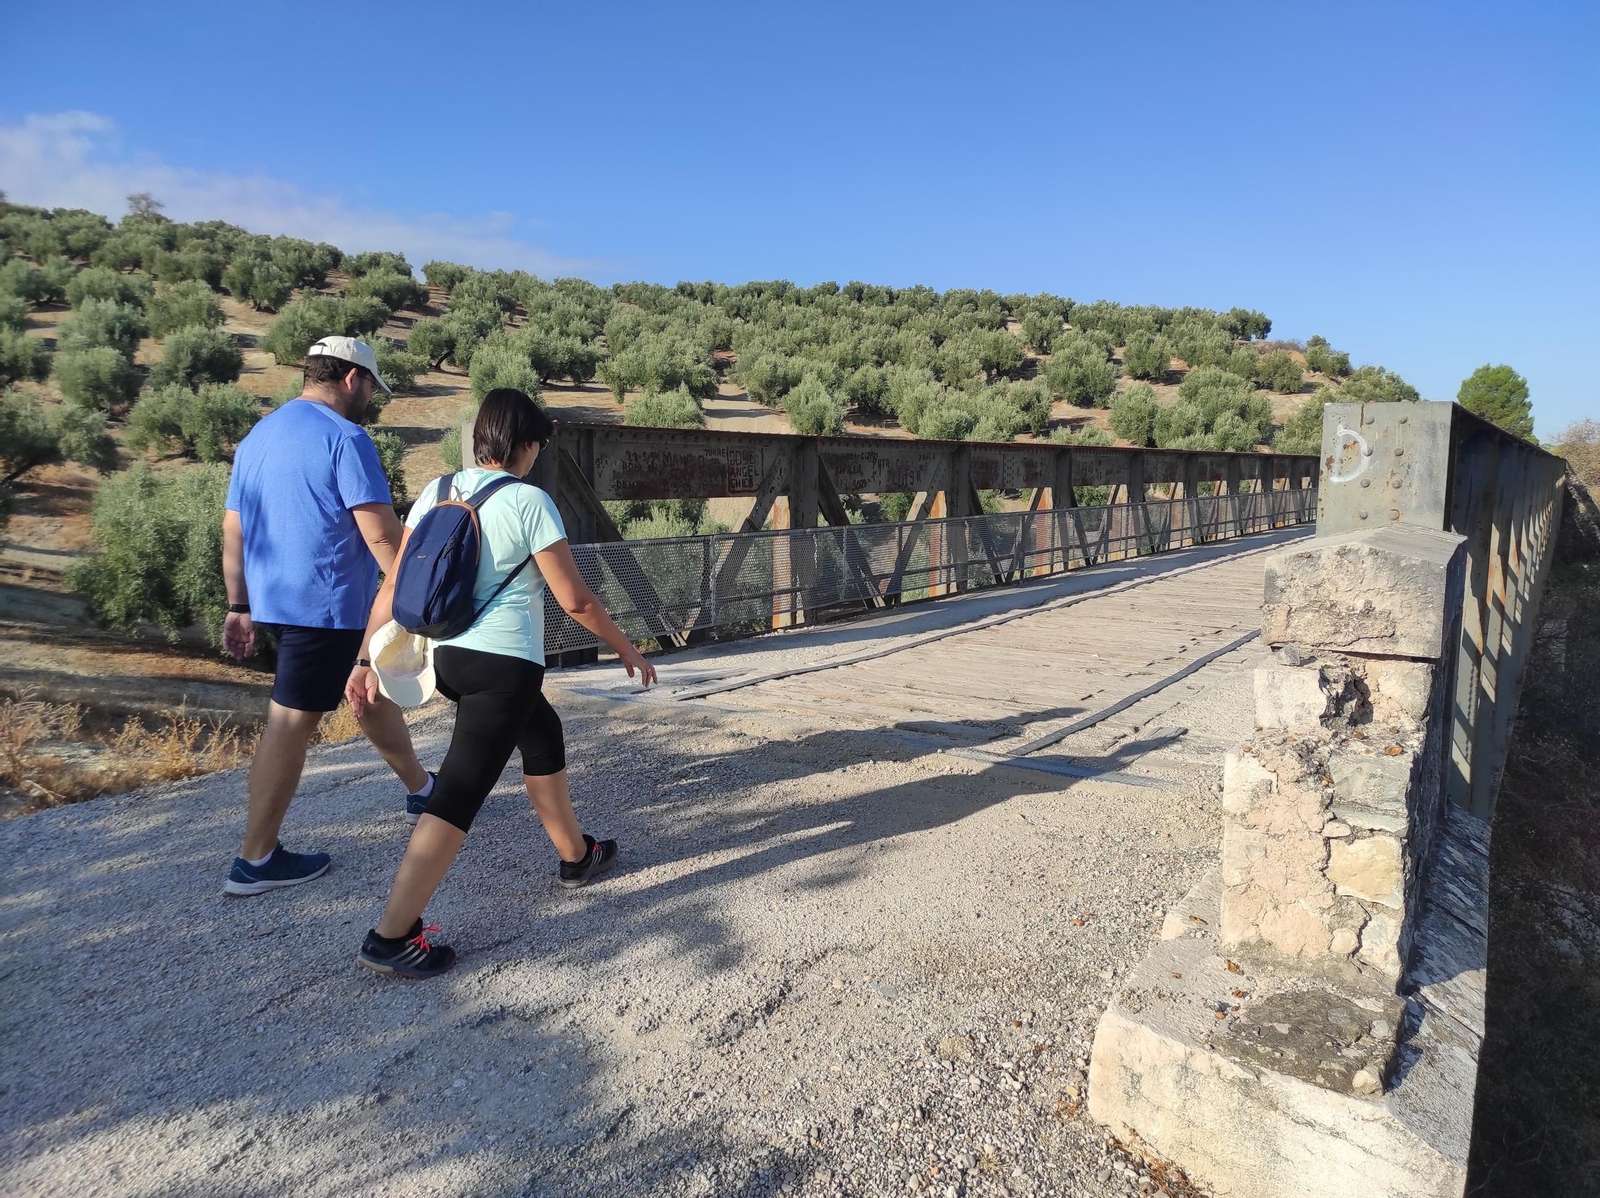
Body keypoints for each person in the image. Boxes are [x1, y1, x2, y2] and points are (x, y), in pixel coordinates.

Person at [348, 388, 657, 979]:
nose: (538, 455)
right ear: (525, 445)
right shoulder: (528, 501)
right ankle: (392, 936)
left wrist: (363, 657)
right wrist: (628, 650)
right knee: (458, 794)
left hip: (450, 661)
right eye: (537, 445)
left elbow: (392, 588)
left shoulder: (436, 492)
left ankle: (576, 856)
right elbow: (575, 599)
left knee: (541, 733)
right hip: (504, 666)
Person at [220, 336, 436, 896]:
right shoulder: (347, 438)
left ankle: (420, 787)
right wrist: (416, 597)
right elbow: (382, 532)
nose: (371, 398)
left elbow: (234, 530)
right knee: (289, 723)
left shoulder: (257, 436)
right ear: (349, 379)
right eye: (370, 386)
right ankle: (256, 860)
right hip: (327, 604)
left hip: (276, 602)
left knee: (369, 689)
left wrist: (238, 606)